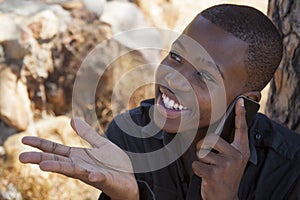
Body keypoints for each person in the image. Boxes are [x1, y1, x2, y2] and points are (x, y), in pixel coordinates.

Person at [19, 4, 300, 200]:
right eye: (175, 57)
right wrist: (129, 197)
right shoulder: (131, 137)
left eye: (203, 75)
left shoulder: (289, 171)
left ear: (246, 102)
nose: (174, 79)